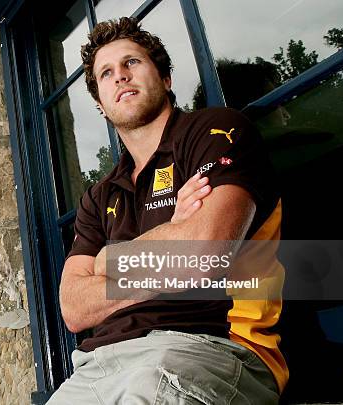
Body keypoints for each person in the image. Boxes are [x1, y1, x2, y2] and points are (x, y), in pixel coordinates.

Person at [48, 17, 287, 404]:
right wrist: (168, 242)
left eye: (132, 63)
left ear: (165, 78)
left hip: (209, 347)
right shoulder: (99, 195)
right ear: (100, 105)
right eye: (106, 73)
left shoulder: (215, 132)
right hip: (99, 365)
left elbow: (206, 251)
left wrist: (111, 258)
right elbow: (74, 307)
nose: (120, 77)